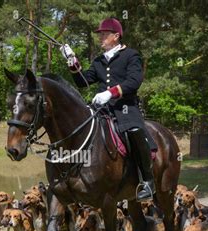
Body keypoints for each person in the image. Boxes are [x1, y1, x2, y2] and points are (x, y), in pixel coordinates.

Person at [59, 18, 157, 202]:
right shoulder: (98, 61)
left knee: (134, 130)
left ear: (116, 36)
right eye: (100, 34)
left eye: (104, 34)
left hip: (125, 107)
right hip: (101, 108)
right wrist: (72, 60)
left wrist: (111, 93)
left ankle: (148, 181)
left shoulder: (131, 55)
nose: (101, 38)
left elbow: (134, 81)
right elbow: (83, 81)